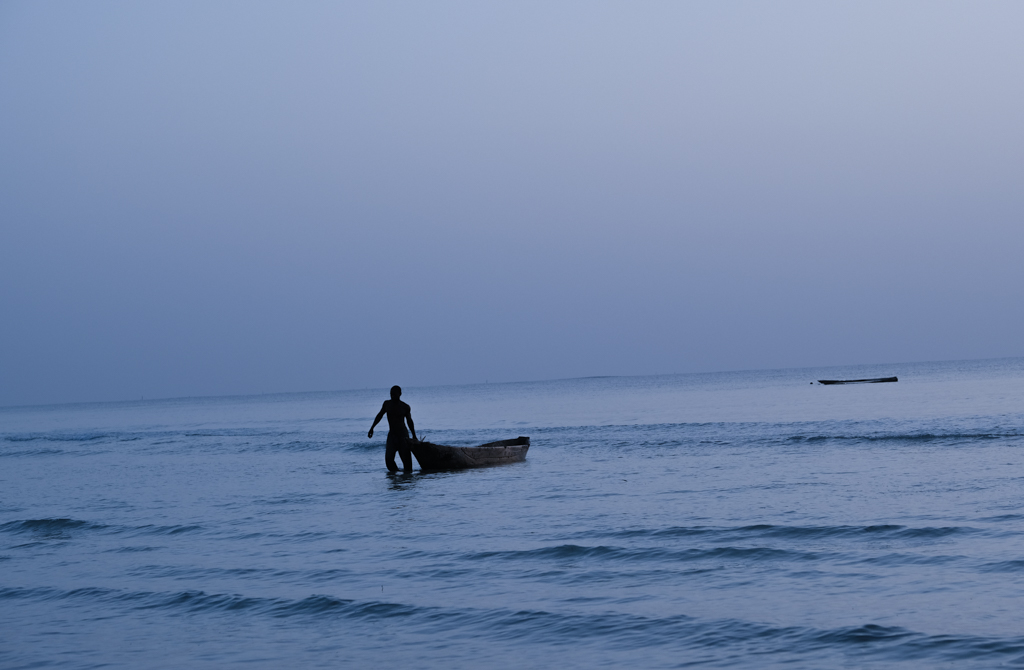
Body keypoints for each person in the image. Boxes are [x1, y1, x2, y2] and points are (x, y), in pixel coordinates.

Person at [368, 385, 417, 472]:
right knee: (389, 460)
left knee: (407, 462)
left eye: (394, 394)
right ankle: (396, 476)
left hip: (403, 435)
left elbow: (409, 421)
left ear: (400, 394)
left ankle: (406, 480)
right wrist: (372, 428)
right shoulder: (387, 404)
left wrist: (414, 435)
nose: (392, 396)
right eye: (391, 394)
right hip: (392, 435)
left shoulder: (405, 407)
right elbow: (379, 415)